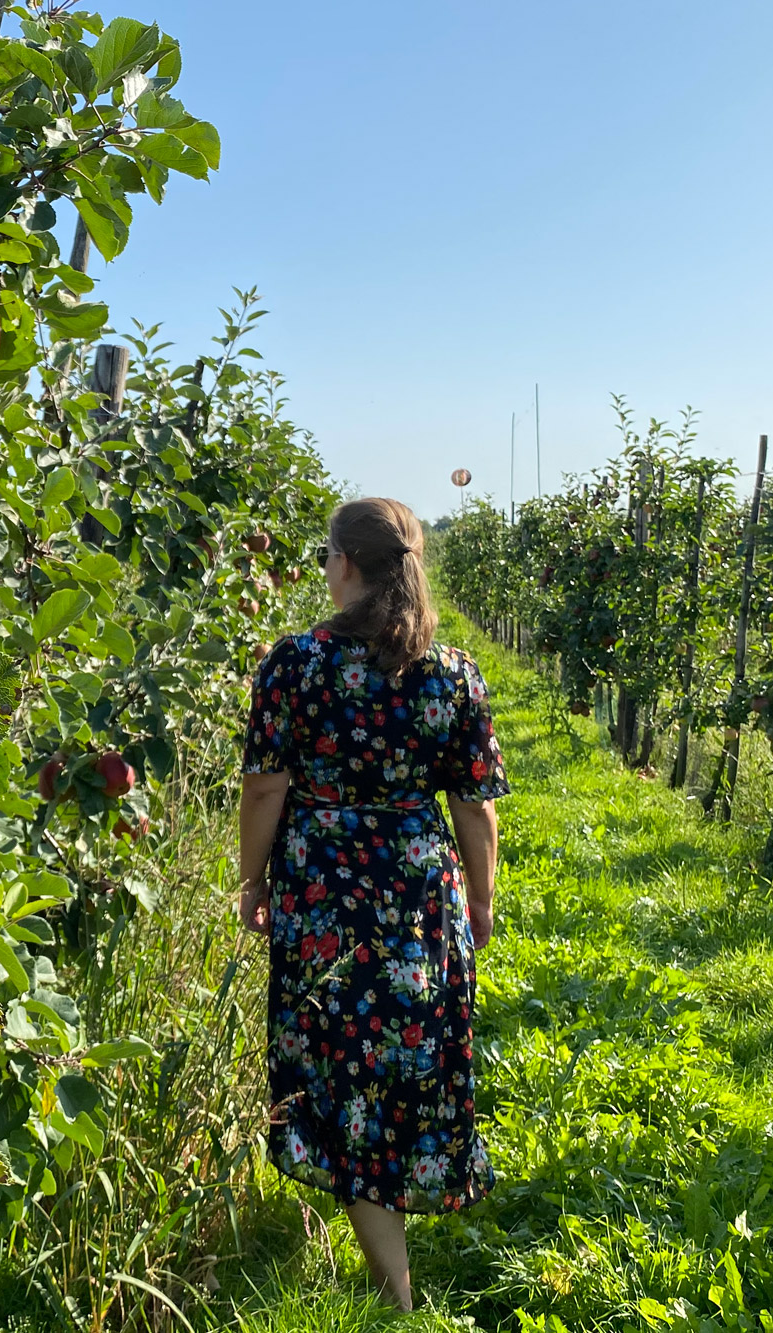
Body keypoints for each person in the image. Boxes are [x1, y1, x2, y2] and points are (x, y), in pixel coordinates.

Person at [236, 496, 508, 1311]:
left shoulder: (295, 664)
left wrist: (253, 880)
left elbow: (266, 788)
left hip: (327, 898)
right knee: (400, 1066)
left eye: (326, 555)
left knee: (341, 1075)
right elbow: (475, 807)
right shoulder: (451, 673)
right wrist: (482, 903)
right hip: (420, 893)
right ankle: (395, 1265)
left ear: (345, 564)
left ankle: (396, 1295)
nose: (325, 569)